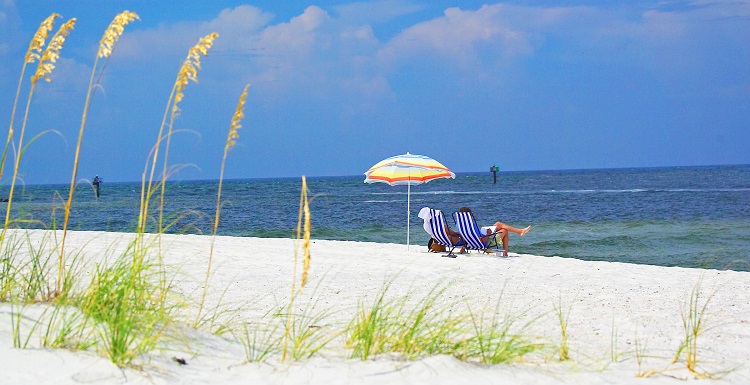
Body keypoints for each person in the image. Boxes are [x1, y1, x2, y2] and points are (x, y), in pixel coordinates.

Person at [457, 207, 531, 256]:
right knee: (505, 230)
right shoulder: (472, 225)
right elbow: (482, 239)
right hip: (484, 242)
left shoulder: (459, 225)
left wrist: (463, 247)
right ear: (469, 215)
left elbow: (465, 236)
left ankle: (520, 231)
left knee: (498, 224)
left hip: (472, 243)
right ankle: (506, 252)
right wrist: (488, 233)